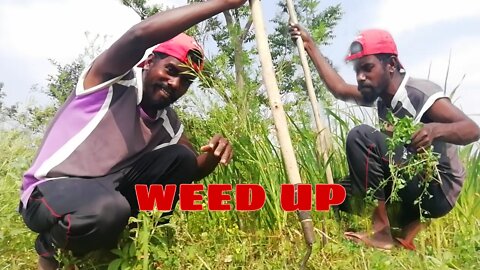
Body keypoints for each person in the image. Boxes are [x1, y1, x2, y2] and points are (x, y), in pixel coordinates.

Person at [19, 1, 247, 269]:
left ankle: (125, 244)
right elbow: (140, 35)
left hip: (105, 193)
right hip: (48, 192)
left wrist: (213, 155)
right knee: (109, 209)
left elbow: (190, 171)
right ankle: (49, 248)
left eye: (185, 80)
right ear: (149, 62)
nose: (175, 83)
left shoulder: (169, 124)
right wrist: (227, 3)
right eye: (171, 70)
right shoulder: (109, 81)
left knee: (181, 157)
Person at [289, 24, 480, 250]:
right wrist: (309, 45)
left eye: (368, 68)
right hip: (410, 184)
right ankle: (404, 229)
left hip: (437, 191)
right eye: (357, 70)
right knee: (338, 193)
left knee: (361, 137)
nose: (361, 76)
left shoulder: (419, 93)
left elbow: (472, 129)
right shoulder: (380, 96)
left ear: (391, 65)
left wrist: (434, 130)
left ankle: (382, 233)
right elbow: (339, 89)